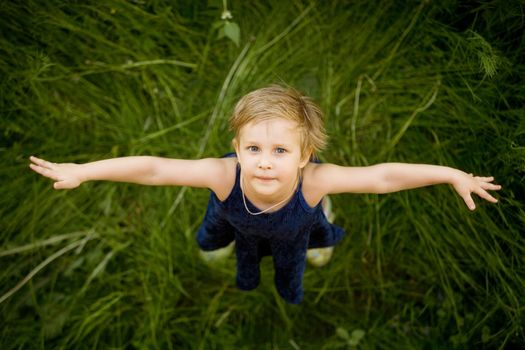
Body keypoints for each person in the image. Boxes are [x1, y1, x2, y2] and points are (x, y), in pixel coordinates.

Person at [29, 84, 501, 304]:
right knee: (213, 244)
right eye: (253, 148)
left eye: (280, 150)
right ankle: (222, 252)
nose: (265, 161)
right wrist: (85, 170)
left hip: (297, 221)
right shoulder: (223, 174)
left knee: (307, 249)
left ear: (303, 155)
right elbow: (154, 169)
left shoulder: (315, 178)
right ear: (237, 148)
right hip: (232, 219)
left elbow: (382, 178)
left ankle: (317, 237)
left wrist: (450, 173)